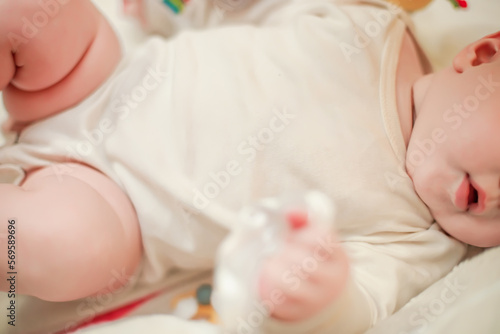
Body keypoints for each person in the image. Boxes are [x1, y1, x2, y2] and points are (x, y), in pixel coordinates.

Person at [0, 0, 499, 332]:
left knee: (57, 245)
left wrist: (325, 299)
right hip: (98, 77)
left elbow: (364, 306)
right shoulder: (368, 24)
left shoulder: (419, 240)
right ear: (481, 55)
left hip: (111, 207)